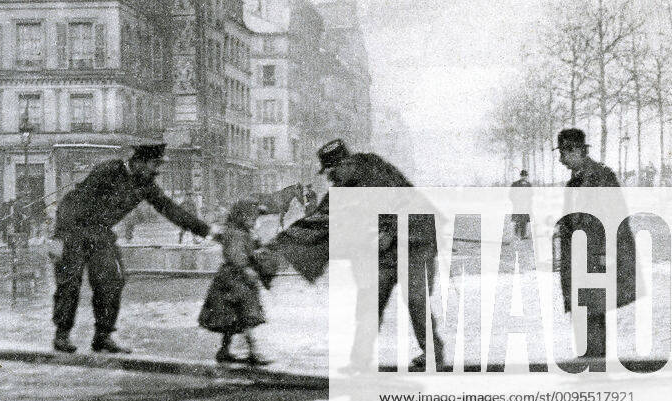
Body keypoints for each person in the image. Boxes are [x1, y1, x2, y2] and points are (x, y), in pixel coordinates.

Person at [260, 139, 445, 371]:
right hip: (386, 250)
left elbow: (401, 198)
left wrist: (389, 229)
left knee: (416, 301)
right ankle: (360, 360)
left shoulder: (375, 168)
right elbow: (317, 221)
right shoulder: (343, 189)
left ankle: (433, 355)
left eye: (331, 171)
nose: (329, 178)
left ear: (346, 163)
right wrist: (277, 247)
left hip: (417, 242)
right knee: (370, 301)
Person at [48, 144, 215, 353]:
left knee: (112, 281)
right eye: (154, 164)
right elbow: (73, 201)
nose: (157, 170)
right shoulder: (109, 170)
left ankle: (103, 336)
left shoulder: (146, 184)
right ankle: (61, 334)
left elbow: (170, 209)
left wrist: (207, 231)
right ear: (139, 162)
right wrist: (58, 237)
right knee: (69, 282)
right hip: (74, 229)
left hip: (100, 232)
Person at [556, 128, 636, 363]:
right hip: (581, 256)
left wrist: (607, 254)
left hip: (596, 257)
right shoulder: (576, 180)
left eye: (563, 153)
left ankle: (594, 363)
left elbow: (617, 217)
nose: (561, 159)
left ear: (577, 150)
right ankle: (588, 358)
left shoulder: (601, 177)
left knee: (592, 310)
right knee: (584, 308)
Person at [198, 200, 273, 366]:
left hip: (236, 280)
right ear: (241, 217)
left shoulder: (243, 232)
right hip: (235, 280)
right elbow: (235, 255)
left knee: (231, 318)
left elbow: (251, 251)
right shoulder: (236, 233)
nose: (255, 221)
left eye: (255, 218)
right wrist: (247, 269)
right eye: (252, 218)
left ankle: (224, 351)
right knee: (244, 315)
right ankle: (253, 352)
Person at [510, 169, 533, 239]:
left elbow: (531, 195)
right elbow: (511, 195)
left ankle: (523, 235)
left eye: (525, 176)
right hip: (518, 205)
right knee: (518, 219)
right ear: (520, 176)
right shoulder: (515, 184)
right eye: (523, 176)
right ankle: (517, 235)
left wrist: (528, 202)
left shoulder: (529, 185)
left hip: (526, 205)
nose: (524, 177)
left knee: (524, 220)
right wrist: (516, 201)